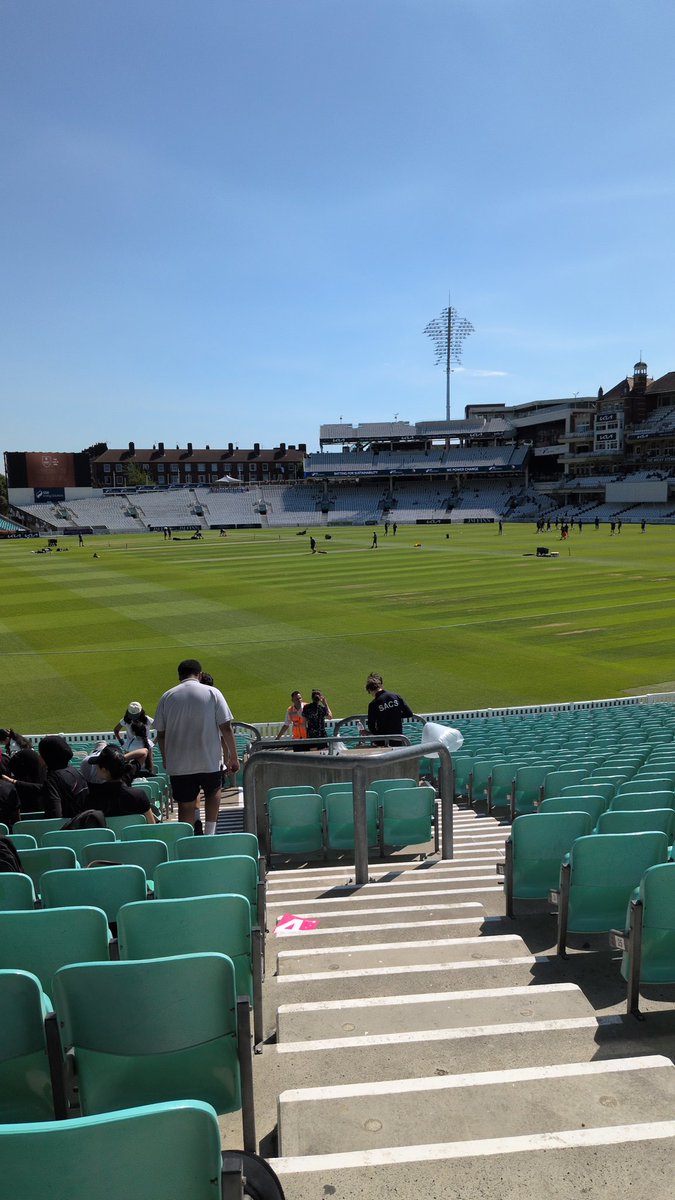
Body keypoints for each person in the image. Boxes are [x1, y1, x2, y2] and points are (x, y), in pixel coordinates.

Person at [154, 658, 239, 834]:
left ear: (179, 676)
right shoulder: (212, 692)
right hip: (208, 758)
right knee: (213, 793)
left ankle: (187, 839)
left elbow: (161, 735)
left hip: (179, 762)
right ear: (199, 675)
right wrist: (233, 756)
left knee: (185, 805)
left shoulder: (167, 696)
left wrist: (165, 758)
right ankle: (210, 834)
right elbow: (226, 728)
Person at [87, 744, 157, 823]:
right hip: (135, 835)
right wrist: (117, 760)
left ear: (104, 770)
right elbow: (151, 824)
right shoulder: (139, 795)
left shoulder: (92, 797)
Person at [38, 735, 89, 820]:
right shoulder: (75, 772)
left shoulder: (52, 780)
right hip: (84, 824)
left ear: (47, 757)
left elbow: (54, 815)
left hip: (68, 829)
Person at [365, 672, 413, 739]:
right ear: (381, 685)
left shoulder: (373, 704)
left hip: (383, 741)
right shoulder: (396, 696)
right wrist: (395, 715)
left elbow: (371, 726)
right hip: (399, 738)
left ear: (370, 690)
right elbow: (409, 713)